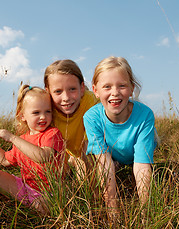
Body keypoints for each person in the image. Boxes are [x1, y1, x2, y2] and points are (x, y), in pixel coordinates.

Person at [0, 85, 64, 215]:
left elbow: (43, 156)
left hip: (50, 192)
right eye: (36, 113)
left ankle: (29, 206)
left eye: (47, 111)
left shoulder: (53, 134)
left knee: (42, 206)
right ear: (22, 116)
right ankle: (22, 202)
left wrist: (12, 138)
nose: (43, 117)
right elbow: (5, 161)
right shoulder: (22, 139)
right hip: (26, 187)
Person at [83, 56, 158, 218]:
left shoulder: (145, 115)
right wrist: (113, 212)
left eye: (122, 86)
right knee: (101, 167)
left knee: (140, 169)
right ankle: (119, 165)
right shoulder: (91, 118)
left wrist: (147, 213)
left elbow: (142, 167)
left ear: (131, 88)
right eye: (107, 87)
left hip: (136, 156)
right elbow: (104, 163)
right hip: (110, 156)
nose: (115, 93)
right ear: (95, 91)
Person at [44, 59, 98, 178]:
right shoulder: (47, 111)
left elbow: (90, 145)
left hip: (95, 148)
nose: (66, 98)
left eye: (72, 89)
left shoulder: (91, 102)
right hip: (71, 152)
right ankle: (74, 160)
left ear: (82, 88)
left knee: (87, 170)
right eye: (58, 91)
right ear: (48, 92)